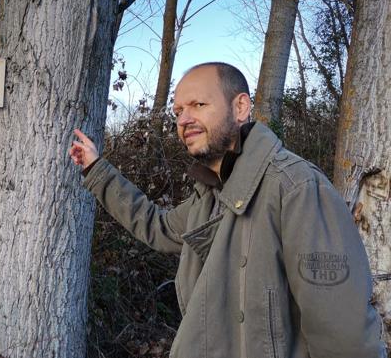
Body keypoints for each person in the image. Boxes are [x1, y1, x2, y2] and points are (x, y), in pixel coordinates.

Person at [69, 62, 386, 358]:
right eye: (178, 110)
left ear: (241, 108)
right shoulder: (209, 192)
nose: (183, 119)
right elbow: (157, 226)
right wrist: (96, 170)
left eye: (198, 105)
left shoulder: (295, 186)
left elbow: (341, 329)